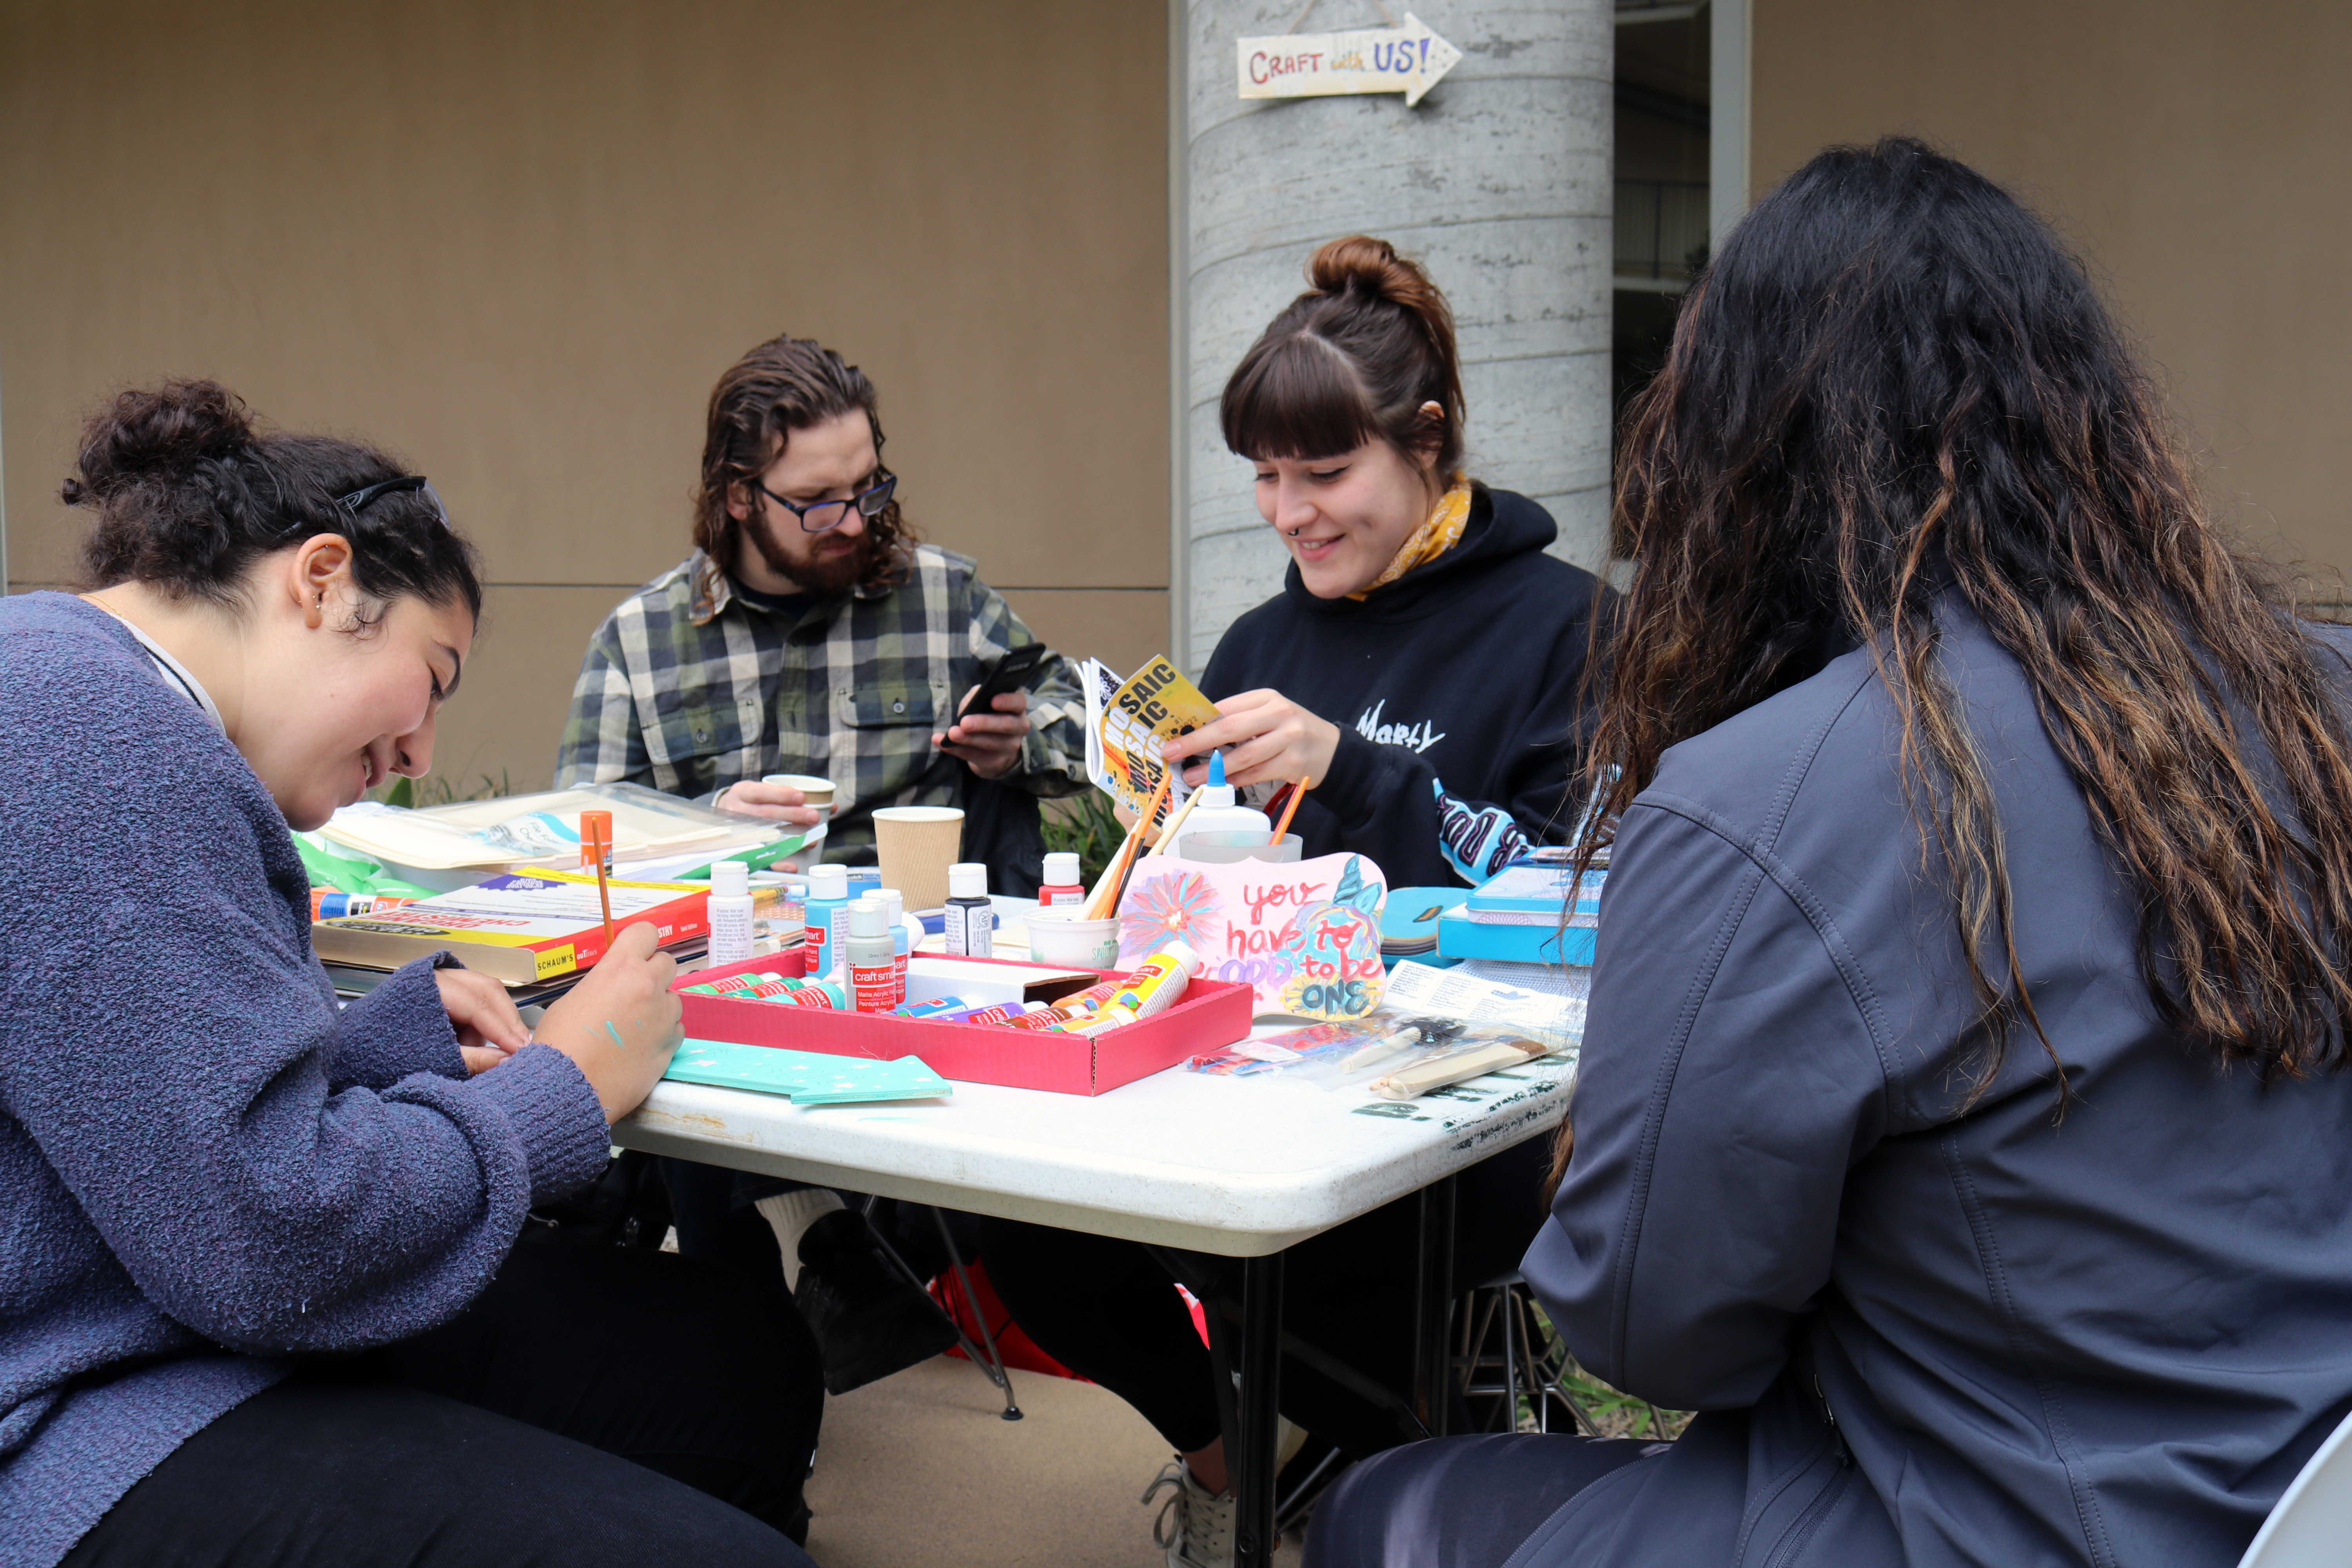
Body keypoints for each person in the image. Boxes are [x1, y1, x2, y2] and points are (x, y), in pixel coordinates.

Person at [1306, 138, 2352, 1568]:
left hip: (1991, 1519)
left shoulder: (1773, 797)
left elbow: (1646, 1334)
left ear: (1741, 454)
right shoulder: (2315, 700)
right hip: (2308, 1500)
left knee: (1379, 1509)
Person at [1, 381, 824, 1568]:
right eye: (433, 677)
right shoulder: (88, 737)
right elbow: (264, 1248)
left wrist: (367, 1048)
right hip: (76, 1409)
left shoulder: (86, 691)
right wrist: (565, 1089)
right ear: (322, 581)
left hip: (143, 1308)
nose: (421, 752)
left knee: (731, 1358)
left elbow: (121, 1108)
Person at [981, 237, 1611, 1568]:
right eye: (1266, 477)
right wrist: (1137, 821)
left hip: (1450, 1121)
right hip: (1225, 1076)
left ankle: (1374, 1476)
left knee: (1349, 1307)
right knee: (1002, 1198)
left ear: (1427, 441)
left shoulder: (1567, 627)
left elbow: (1573, 903)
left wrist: (1359, 771)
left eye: (1326, 474)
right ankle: (1237, 1461)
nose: (1289, 512)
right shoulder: (1263, 642)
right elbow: (1185, 894)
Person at [554, 334, 1092, 1394]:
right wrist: (707, 820)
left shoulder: (944, 598)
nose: (856, 521)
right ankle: (779, 1347)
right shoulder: (643, 639)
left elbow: (1093, 723)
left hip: (920, 972)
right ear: (739, 495)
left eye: (869, 486)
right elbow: (586, 845)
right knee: (687, 1076)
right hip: (727, 970)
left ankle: (807, 1296)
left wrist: (1022, 739)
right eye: (819, 500)